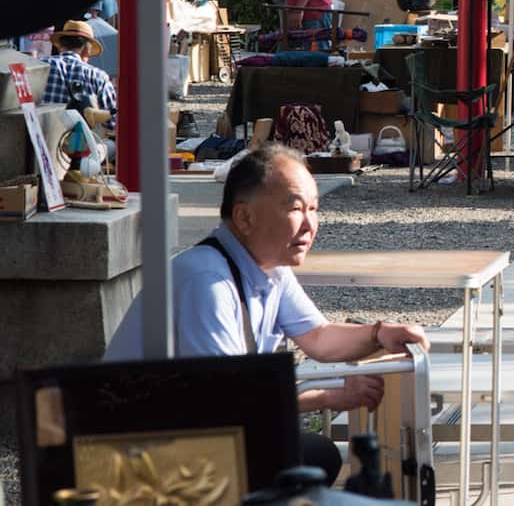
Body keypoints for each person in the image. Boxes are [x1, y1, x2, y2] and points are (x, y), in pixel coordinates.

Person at [103, 145, 430, 484]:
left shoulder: (269, 267)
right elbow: (231, 399)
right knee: (304, 461)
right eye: (295, 208)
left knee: (316, 455)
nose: (310, 224)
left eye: (314, 209)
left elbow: (318, 337)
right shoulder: (207, 281)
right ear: (244, 217)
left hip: (191, 439)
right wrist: (330, 395)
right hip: (135, 457)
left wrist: (380, 333)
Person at [42, 19, 117, 113]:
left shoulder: (41, 65)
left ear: (60, 46)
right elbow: (111, 119)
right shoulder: (98, 76)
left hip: (43, 126)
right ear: (87, 50)